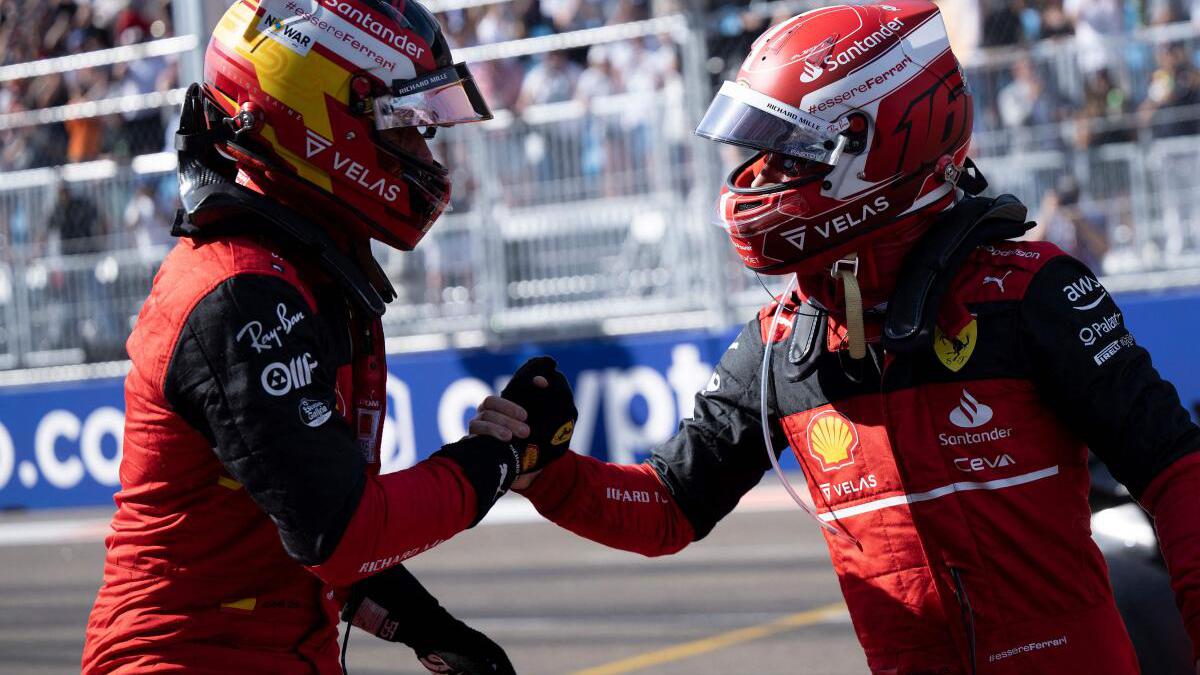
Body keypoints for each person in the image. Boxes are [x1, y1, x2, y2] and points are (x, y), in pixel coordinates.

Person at [474, 4, 1200, 673]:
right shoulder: (780, 341)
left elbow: (1178, 471)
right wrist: (548, 471)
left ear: (881, 142)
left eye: (788, 150)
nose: (758, 176)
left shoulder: (1031, 292)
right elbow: (670, 506)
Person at [81, 1, 572, 673]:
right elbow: (338, 534)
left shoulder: (301, 269)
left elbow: (303, 524)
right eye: (405, 127)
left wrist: (431, 628)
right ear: (319, 117)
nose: (425, 155)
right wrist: (497, 460)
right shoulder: (238, 291)